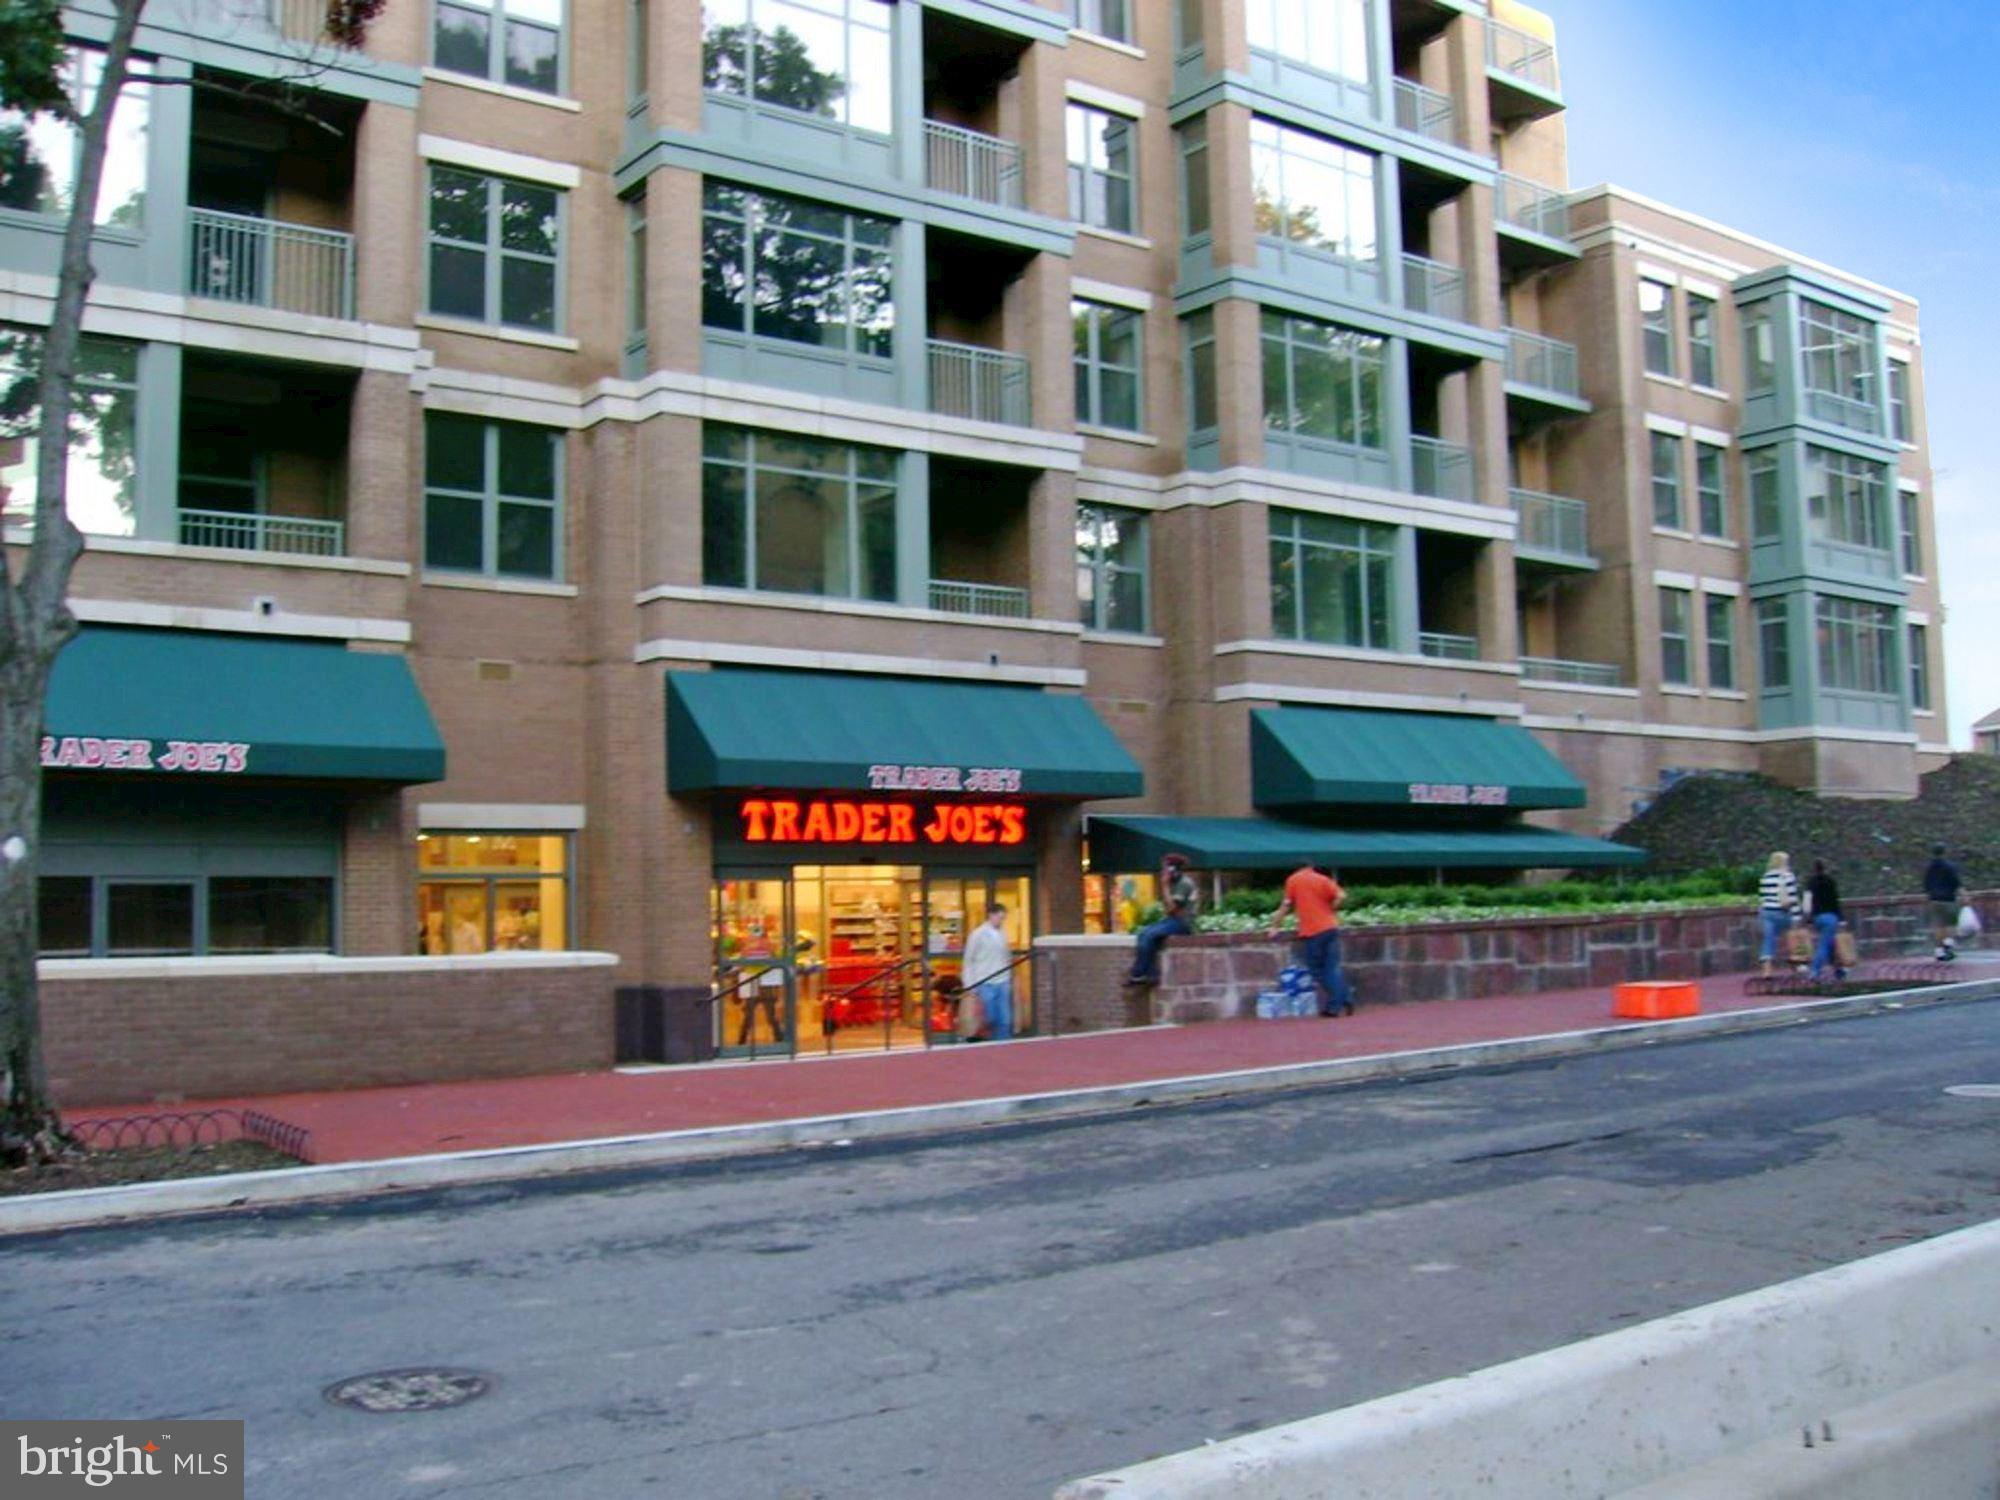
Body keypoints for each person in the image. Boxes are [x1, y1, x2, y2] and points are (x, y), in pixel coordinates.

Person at [1269, 863, 1353, 1017]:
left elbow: (1286, 905)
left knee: (1317, 969)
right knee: (1332, 967)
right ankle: (1345, 998)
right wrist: (1332, 908)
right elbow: (1341, 896)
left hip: (1313, 930)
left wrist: (1275, 926)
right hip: (1331, 926)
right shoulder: (1322, 879)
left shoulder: (1294, 880)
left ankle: (1337, 1003)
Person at [1127, 853, 1198, 986]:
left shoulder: (1184, 884)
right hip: (1172, 920)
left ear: (1173, 869)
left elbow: (1172, 909)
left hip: (1183, 922)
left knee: (1149, 935)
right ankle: (1150, 974)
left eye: (1165, 868)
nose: (1163, 871)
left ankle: (1138, 973)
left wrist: (1164, 886)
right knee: (1143, 933)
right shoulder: (1174, 883)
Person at [959, 905, 1014, 1041]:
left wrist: (1009, 975)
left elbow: (1006, 956)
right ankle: (991, 1042)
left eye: (1003, 918)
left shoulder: (1003, 934)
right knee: (990, 1017)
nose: (1001, 921)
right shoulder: (977, 935)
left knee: (1005, 1018)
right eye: (1000, 917)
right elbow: (969, 959)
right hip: (985, 980)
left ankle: (1003, 1043)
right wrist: (969, 984)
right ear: (991, 915)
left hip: (1003, 980)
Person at [1757, 851, 1800, 976]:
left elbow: (1762, 898)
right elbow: (1792, 897)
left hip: (1767, 912)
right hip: (1783, 913)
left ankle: (1767, 970)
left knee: (1768, 939)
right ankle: (1797, 964)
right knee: (1793, 936)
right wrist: (1796, 916)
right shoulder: (1788, 876)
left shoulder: (1765, 877)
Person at [1802, 859, 1846, 982]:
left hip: (1817, 917)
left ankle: (1838, 970)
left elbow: (1807, 901)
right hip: (1830, 917)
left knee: (1830, 943)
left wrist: (1807, 917)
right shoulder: (1830, 881)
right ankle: (1814, 971)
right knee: (1824, 945)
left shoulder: (1810, 882)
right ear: (1826, 868)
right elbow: (1835, 901)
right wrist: (1841, 919)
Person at [1923, 842, 1963, 962]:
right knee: (1951, 924)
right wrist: (1964, 894)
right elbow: (1956, 882)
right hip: (1948, 899)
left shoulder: (1929, 867)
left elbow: (1926, 883)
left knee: (1938, 926)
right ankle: (1948, 944)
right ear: (1945, 851)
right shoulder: (1949, 866)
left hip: (1934, 899)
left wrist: (1930, 893)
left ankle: (1939, 952)